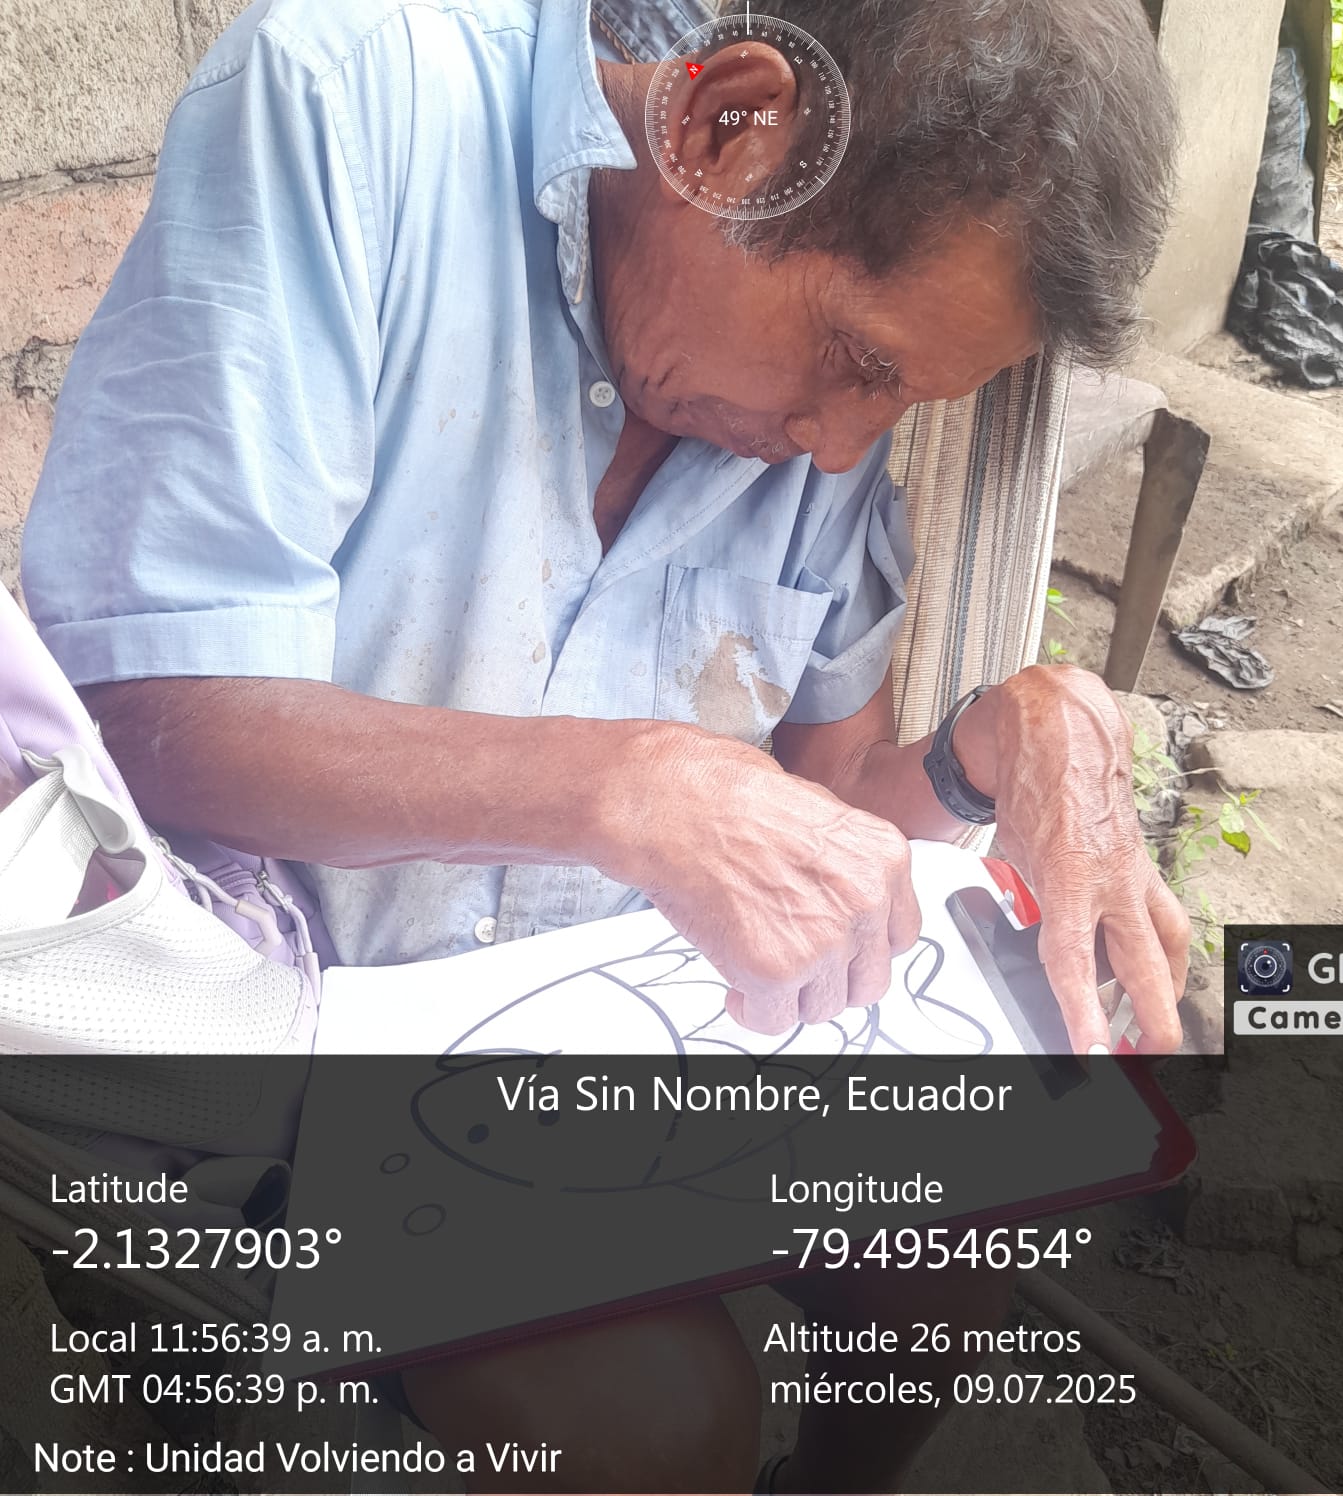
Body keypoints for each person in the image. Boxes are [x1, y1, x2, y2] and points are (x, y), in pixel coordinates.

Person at [22, 0, 1184, 1486]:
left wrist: (996, 740)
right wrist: (621, 786)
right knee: (654, 1418)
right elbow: (144, 712)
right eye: (854, 357)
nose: (842, 443)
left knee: (953, 1252)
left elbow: (834, 797)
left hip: (601, 1062)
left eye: (898, 398)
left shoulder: (805, 409)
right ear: (725, 129)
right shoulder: (347, 99)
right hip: (284, 1060)